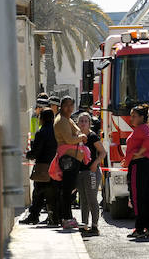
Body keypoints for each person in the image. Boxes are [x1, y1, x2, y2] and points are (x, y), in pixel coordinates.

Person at [123, 104, 149, 240]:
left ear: (142, 117)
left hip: (140, 165)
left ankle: (140, 227)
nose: (131, 118)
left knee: (138, 197)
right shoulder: (142, 128)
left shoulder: (143, 128)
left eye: (134, 116)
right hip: (144, 165)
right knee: (147, 197)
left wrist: (138, 154)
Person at [53, 96, 86, 229]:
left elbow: (77, 131)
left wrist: (79, 135)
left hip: (72, 160)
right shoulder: (61, 120)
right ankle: (66, 218)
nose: (69, 108)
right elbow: (69, 139)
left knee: (69, 190)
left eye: (71, 105)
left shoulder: (67, 119)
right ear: (61, 106)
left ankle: (67, 216)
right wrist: (81, 137)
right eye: (66, 105)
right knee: (67, 190)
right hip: (68, 160)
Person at [21, 108, 58, 225]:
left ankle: (34, 216)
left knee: (38, 192)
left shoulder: (41, 133)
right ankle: (53, 217)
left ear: (42, 119)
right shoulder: (57, 131)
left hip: (43, 166)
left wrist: (28, 154)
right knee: (52, 193)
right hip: (56, 166)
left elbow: (36, 151)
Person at [75, 112, 106, 236]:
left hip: (91, 172)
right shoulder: (76, 137)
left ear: (89, 124)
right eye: (81, 121)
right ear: (77, 123)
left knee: (92, 199)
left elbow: (103, 152)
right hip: (80, 172)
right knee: (83, 199)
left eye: (85, 121)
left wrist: (95, 163)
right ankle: (84, 224)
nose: (83, 123)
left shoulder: (92, 137)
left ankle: (95, 226)